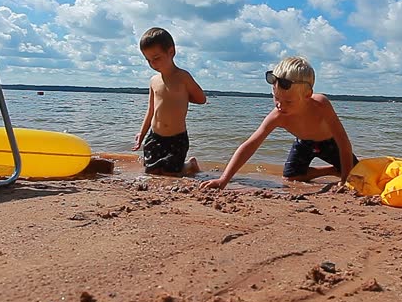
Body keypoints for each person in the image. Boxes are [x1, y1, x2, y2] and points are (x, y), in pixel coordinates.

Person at [200, 56, 357, 190]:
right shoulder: (277, 116)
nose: (280, 105)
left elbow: (343, 141)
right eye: (276, 98)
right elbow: (250, 145)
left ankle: (341, 171)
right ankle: (330, 170)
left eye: (288, 101)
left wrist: (345, 179)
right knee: (290, 178)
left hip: (329, 143)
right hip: (304, 143)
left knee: (356, 173)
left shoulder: (321, 104)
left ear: (308, 95)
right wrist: (223, 180)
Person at [133, 27, 206, 175]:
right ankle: (169, 165)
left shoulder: (183, 77)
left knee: (172, 173)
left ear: (171, 52)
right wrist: (142, 133)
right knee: (151, 171)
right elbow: (151, 110)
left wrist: (183, 96)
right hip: (155, 136)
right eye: (148, 60)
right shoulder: (154, 81)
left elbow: (201, 99)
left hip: (176, 137)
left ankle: (190, 165)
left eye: (156, 58)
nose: (153, 63)